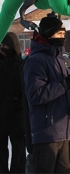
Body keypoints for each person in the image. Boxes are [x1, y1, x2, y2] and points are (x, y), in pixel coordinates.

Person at [23, 16, 70, 173]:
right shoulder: (36, 61)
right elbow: (36, 94)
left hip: (68, 131)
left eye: (63, 34)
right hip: (47, 132)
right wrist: (64, 84)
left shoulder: (65, 61)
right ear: (47, 34)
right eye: (58, 34)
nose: (62, 38)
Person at [0, 32, 26, 173]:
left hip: (17, 117)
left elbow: (25, 91)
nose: (3, 49)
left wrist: (19, 106)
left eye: (6, 46)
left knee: (19, 153)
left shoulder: (21, 65)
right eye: (1, 46)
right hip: (1, 114)